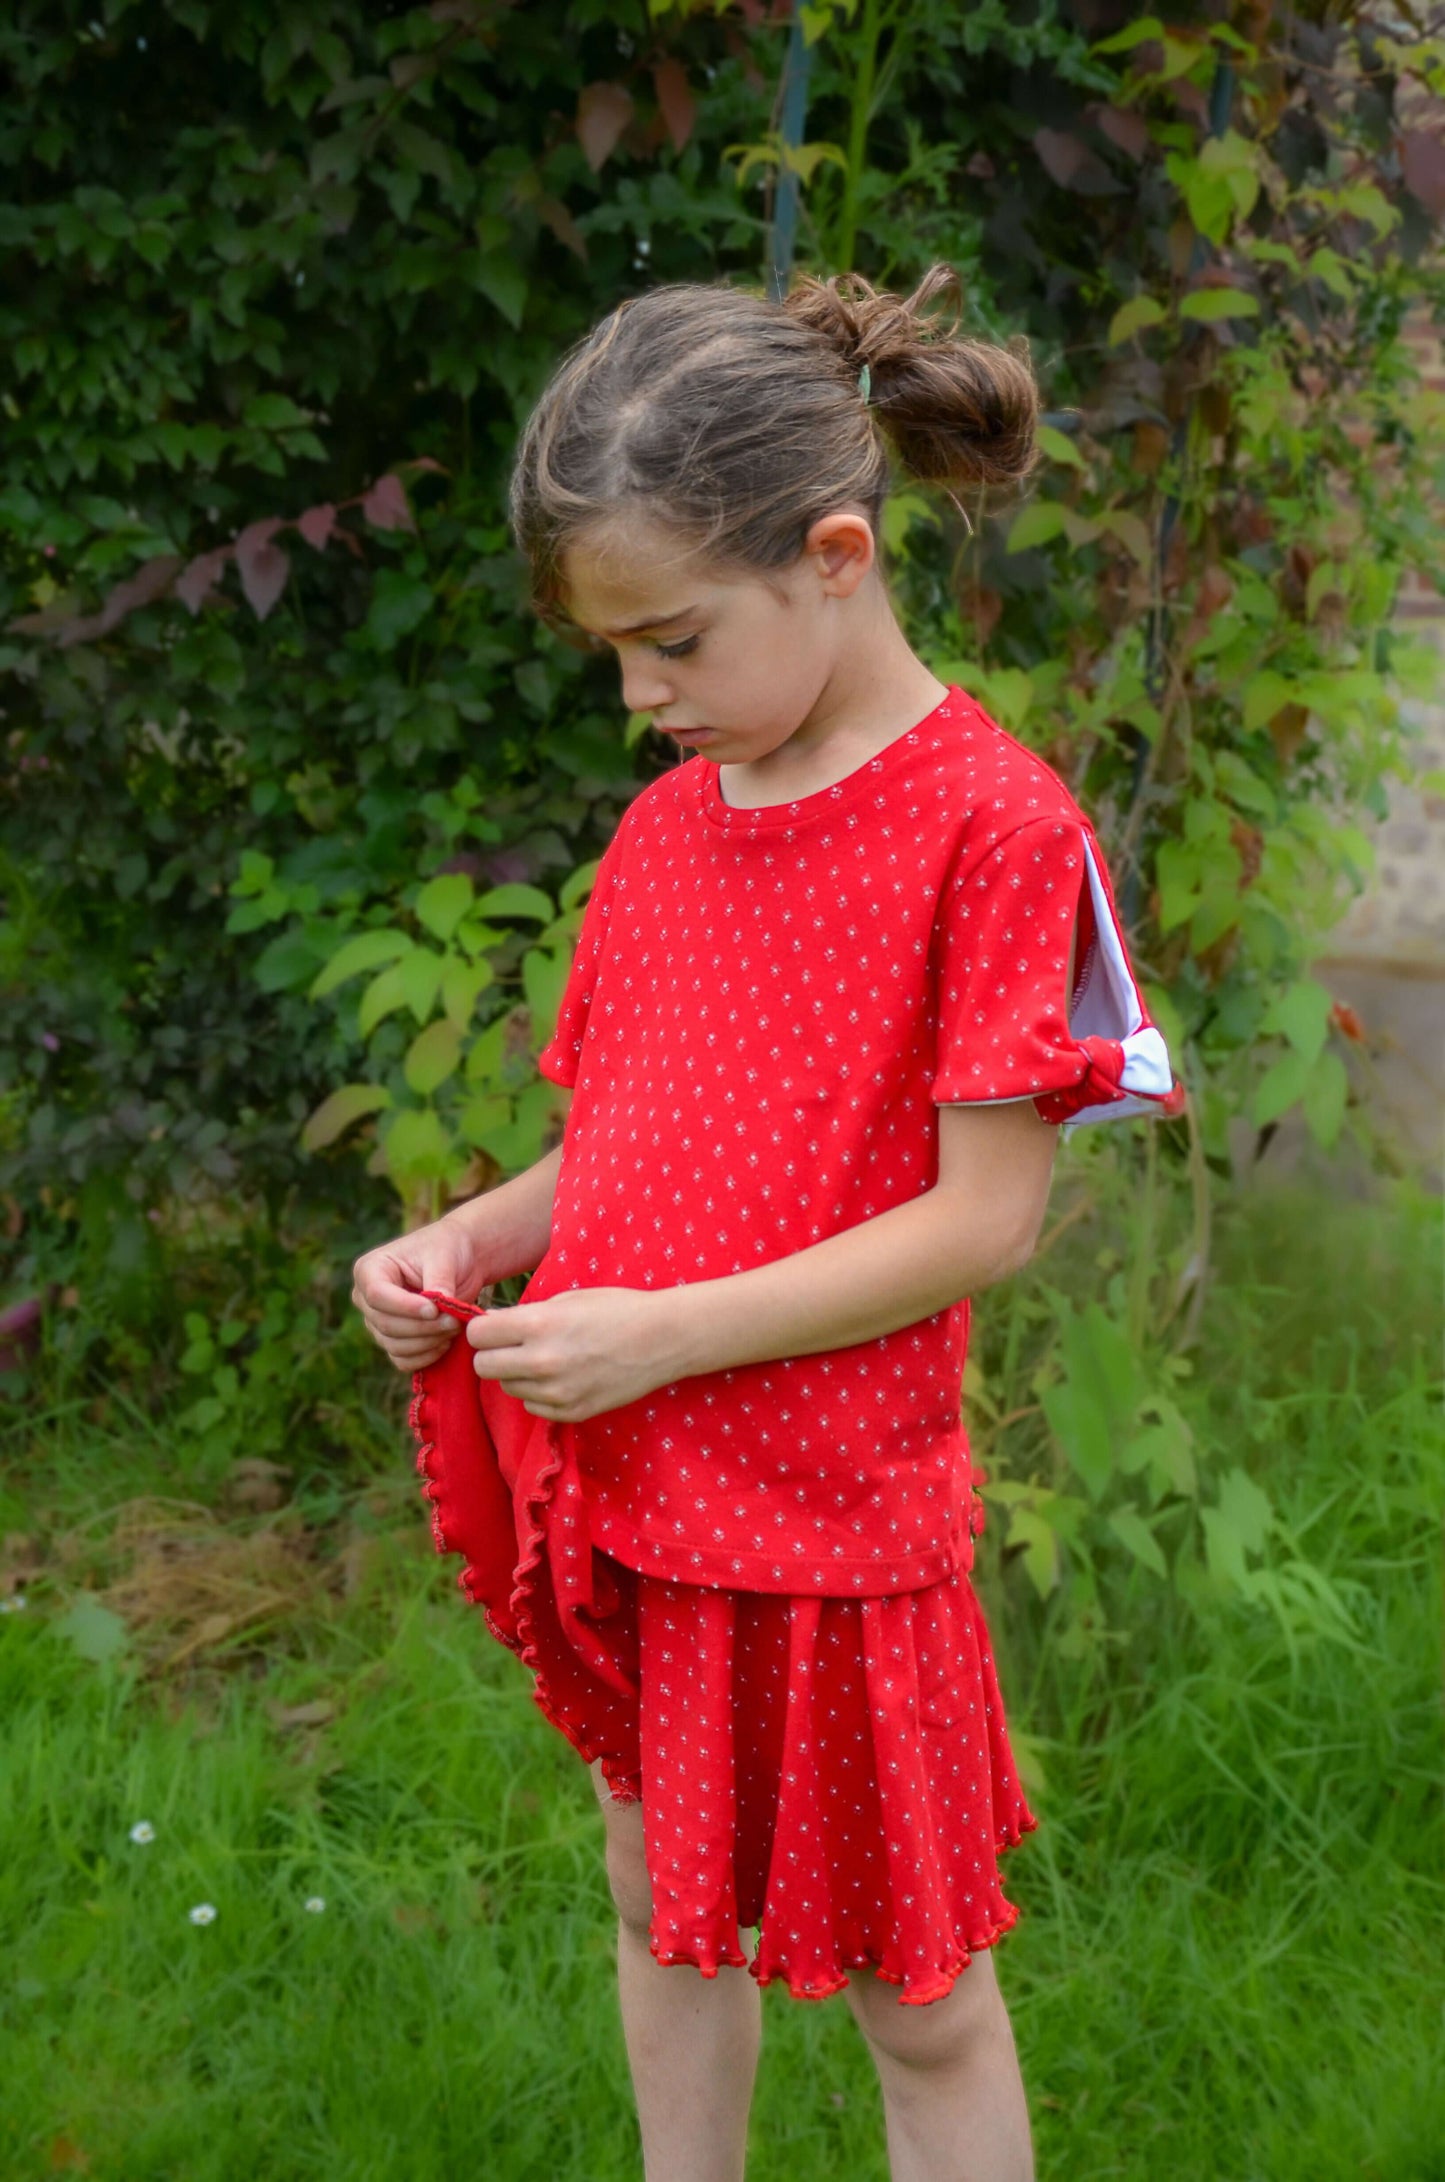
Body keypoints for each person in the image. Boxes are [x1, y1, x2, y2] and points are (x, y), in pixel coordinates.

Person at [352, 266, 1179, 2182]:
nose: (642, 700)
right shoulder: (668, 831)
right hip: (643, 1497)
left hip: (835, 1523)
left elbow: (989, 1218)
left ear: (831, 554)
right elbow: (629, 1143)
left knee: (925, 2002)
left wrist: (662, 1326)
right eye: (614, 659)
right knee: (658, 1916)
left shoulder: (996, 827)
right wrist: (478, 1239)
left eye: (669, 642)